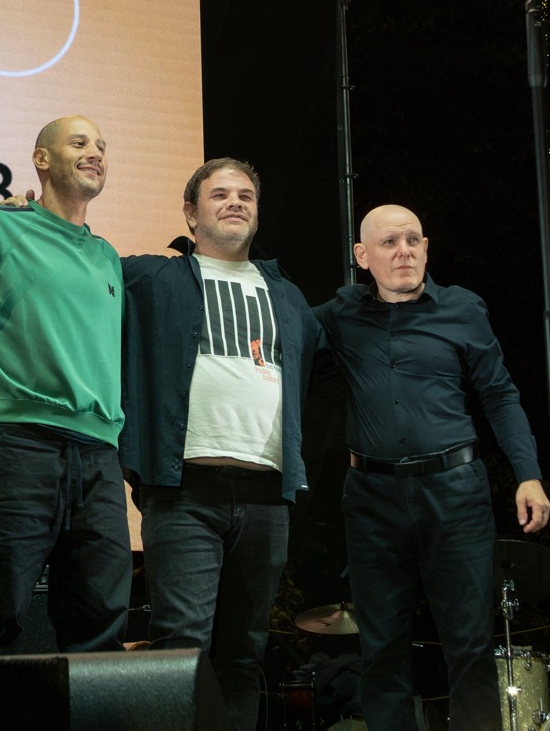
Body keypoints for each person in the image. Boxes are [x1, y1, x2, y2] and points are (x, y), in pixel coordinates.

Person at [314, 204, 550, 731]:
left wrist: (528, 473)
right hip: (372, 497)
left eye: (413, 240)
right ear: (362, 256)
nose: (404, 251)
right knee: (381, 649)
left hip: (455, 492)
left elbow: (499, 394)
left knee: (470, 644)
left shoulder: (462, 308)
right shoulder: (339, 313)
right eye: (390, 242)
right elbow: (283, 333)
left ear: (426, 247)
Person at [117, 157, 323, 729]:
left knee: (244, 651)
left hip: (267, 495)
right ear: (191, 213)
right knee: (182, 646)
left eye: (245, 196)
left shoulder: (288, 296)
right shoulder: (152, 278)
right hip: (184, 490)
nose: (235, 202)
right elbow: (83, 265)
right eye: (220, 194)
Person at [0, 114, 132, 655]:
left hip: (99, 460)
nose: (95, 151)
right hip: (17, 450)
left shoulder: (106, 255)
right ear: (41, 159)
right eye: (79, 142)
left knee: (101, 628)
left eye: (101, 144)